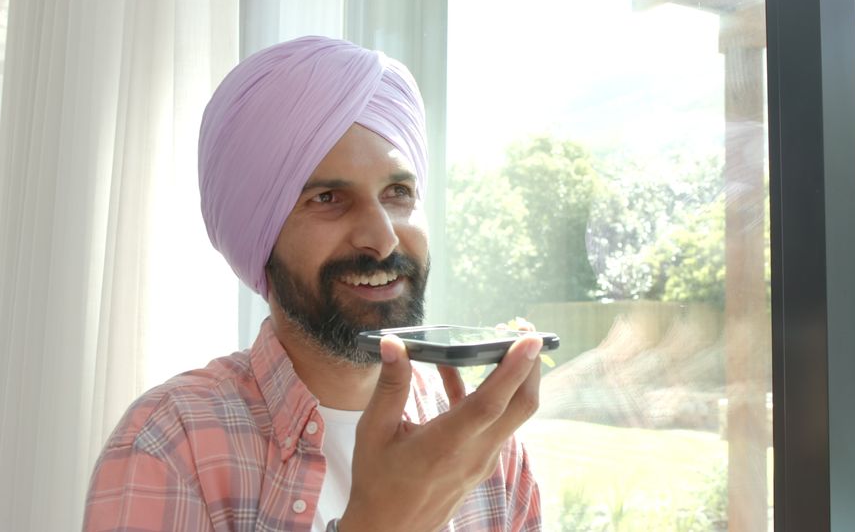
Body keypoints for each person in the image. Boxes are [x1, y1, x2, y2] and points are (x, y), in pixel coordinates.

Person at [83, 36, 543, 532]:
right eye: (327, 199)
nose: (382, 238)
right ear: (259, 235)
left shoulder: (484, 448)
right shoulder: (172, 442)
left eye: (397, 192)